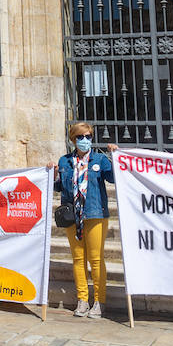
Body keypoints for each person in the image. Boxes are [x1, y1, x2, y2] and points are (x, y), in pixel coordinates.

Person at [53, 123, 118, 318]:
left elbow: (114, 178)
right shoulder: (65, 161)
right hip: (72, 215)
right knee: (78, 258)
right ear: (73, 139)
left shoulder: (99, 159)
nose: (85, 140)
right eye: (81, 136)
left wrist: (115, 157)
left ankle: (99, 301)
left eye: (88, 137)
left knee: (96, 259)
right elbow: (58, 188)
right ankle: (82, 299)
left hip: (95, 213)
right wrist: (53, 174)